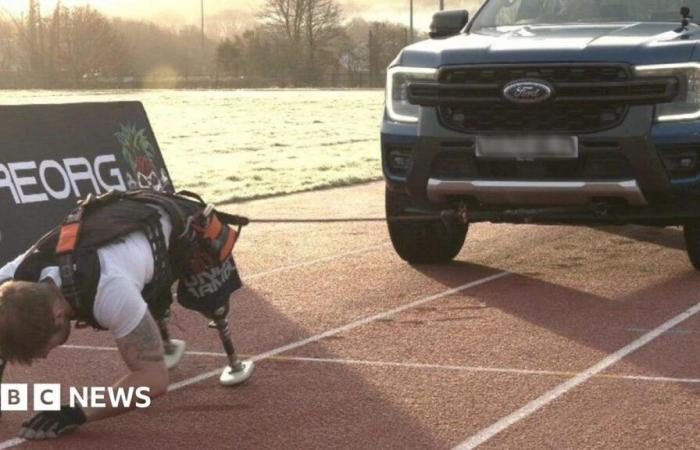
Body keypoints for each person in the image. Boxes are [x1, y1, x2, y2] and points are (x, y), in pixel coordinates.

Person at [0, 190, 254, 440]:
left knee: (211, 302)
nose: (44, 356)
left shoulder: (109, 291)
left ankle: (209, 347)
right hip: (121, 226)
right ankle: (159, 336)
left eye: (42, 347)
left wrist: (76, 411)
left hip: (177, 222)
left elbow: (153, 379)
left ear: (57, 316)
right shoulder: (23, 270)